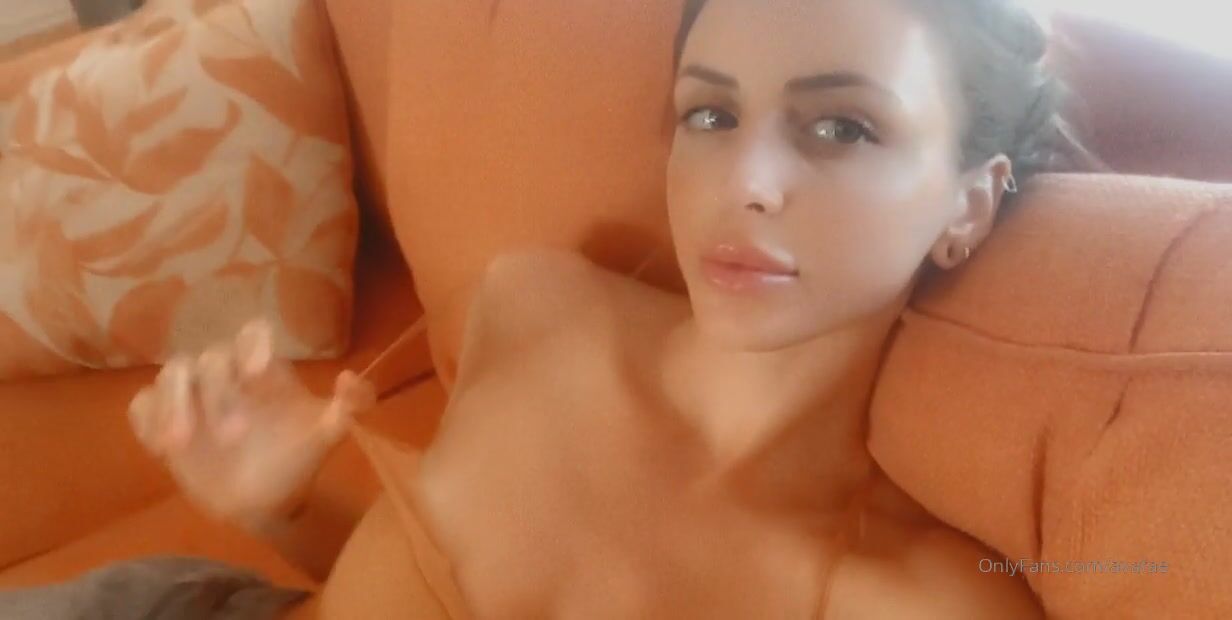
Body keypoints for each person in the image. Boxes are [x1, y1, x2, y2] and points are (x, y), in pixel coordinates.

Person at [128, 0, 1067, 615]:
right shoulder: (539, 306)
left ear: (969, 203)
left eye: (841, 126)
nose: (743, 181)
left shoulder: (923, 602)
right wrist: (279, 507)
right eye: (710, 115)